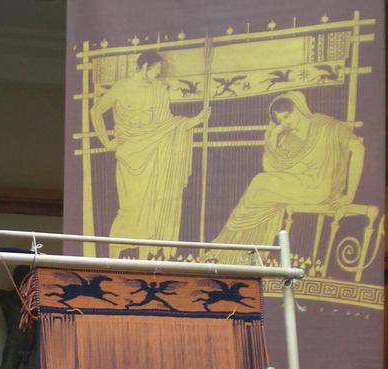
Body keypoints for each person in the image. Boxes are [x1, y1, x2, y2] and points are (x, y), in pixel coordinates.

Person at [207, 90, 365, 263]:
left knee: (260, 184)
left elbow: (358, 150)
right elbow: (271, 168)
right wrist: (272, 137)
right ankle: (237, 252)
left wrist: (349, 195)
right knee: (260, 196)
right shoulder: (289, 137)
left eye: (286, 116)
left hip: (321, 188)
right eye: (280, 121)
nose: (284, 123)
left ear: (299, 108)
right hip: (298, 187)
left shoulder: (329, 126)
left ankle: (227, 245)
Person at [90, 50, 210, 258]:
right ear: (145, 66)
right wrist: (106, 141)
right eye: (156, 69)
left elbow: (167, 124)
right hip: (130, 153)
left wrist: (195, 121)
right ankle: (112, 258)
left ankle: (147, 259)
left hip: (154, 152)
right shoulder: (122, 88)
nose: (158, 74)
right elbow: (96, 111)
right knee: (129, 208)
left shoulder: (158, 89)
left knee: (154, 206)